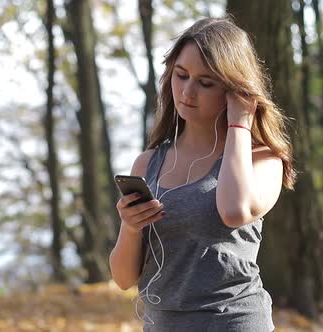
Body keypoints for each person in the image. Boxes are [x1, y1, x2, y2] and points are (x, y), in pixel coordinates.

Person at [109, 17, 296, 332]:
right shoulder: (147, 164)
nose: (187, 92)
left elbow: (234, 211)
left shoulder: (263, 160)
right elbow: (124, 278)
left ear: (234, 89)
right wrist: (130, 228)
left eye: (206, 82)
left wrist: (240, 124)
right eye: (181, 76)